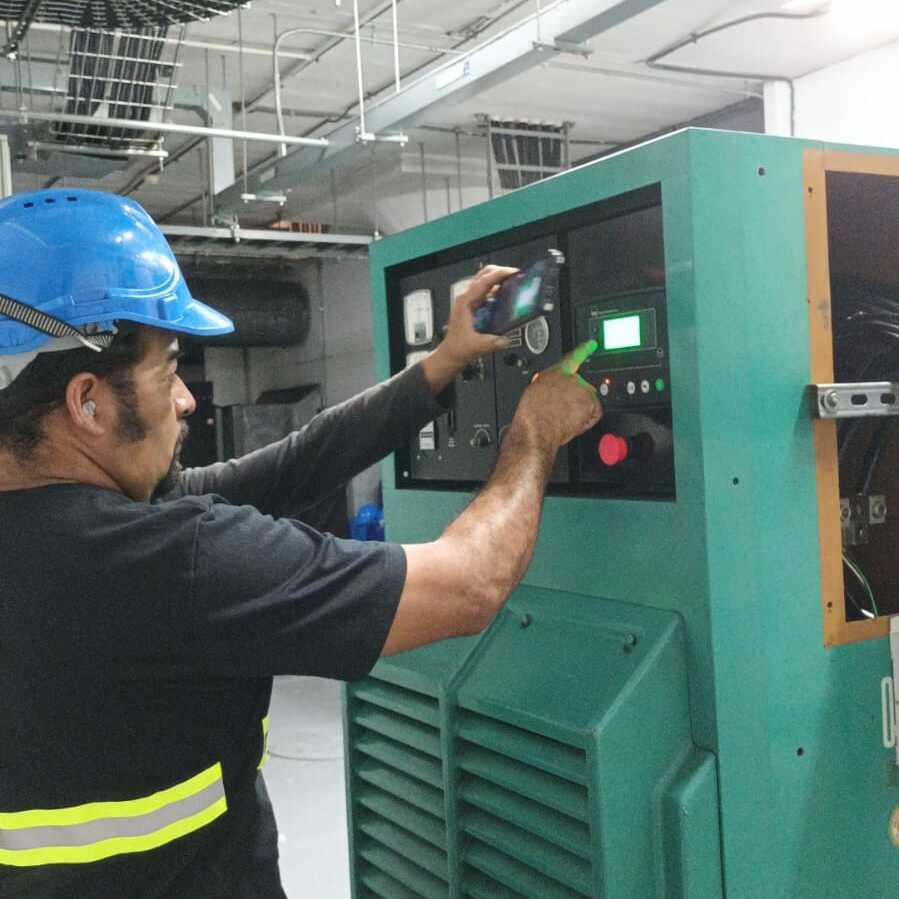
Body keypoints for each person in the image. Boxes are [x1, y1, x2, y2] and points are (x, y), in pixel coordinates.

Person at [0, 189, 601, 898]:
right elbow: (470, 582)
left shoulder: (115, 531)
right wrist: (534, 434)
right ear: (88, 401)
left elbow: (293, 464)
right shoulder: (173, 561)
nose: (186, 399)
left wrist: (443, 362)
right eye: (168, 371)